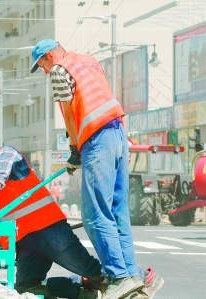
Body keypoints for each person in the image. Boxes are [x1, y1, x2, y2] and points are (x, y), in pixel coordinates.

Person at [30, 39, 163, 298]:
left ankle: (120, 276)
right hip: (119, 136)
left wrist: (73, 150)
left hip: (96, 138)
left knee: (95, 216)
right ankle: (133, 277)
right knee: (117, 213)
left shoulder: (59, 70)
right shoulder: (89, 61)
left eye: (41, 65)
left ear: (48, 56)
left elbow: (70, 113)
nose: (44, 70)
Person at [0, 137, 104, 299]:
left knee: (89, 269)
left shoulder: (7, 155)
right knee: (27, 288)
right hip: (24, 239)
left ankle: (114, 286)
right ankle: (84, 293)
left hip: (47, 227)